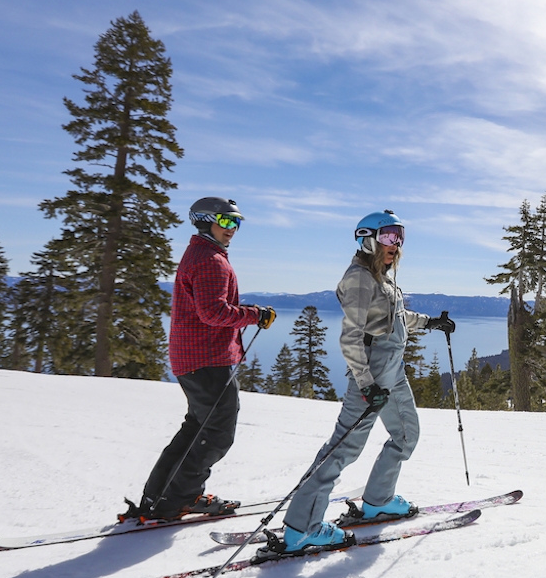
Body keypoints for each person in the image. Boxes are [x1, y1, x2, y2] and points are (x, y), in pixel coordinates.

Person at [278, 209, 456, 552]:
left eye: (400, 236)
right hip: (372, 376)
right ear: (368, 238)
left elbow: (395, 318)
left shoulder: (381, 277)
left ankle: (378, 501)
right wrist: (365, 382)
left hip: (393, 372)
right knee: (343, 449)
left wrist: (431, 323)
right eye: (389, 236)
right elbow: (351, 337)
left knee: (406, 433)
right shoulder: (359, 278)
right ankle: (301, 528)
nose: (396, 243)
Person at [125, 197, 276, 522]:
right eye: (226, 222)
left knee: (195, 429)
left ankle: (157, 496)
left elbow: (209, 307)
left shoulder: (201, 254)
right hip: (208, 360)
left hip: (193, 357)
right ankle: (179, 499)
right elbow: (213, 312)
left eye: (236, 223)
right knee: (218, 433)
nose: (232, 230)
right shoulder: (210, 260)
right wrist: (255, 315)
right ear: (207, 221)